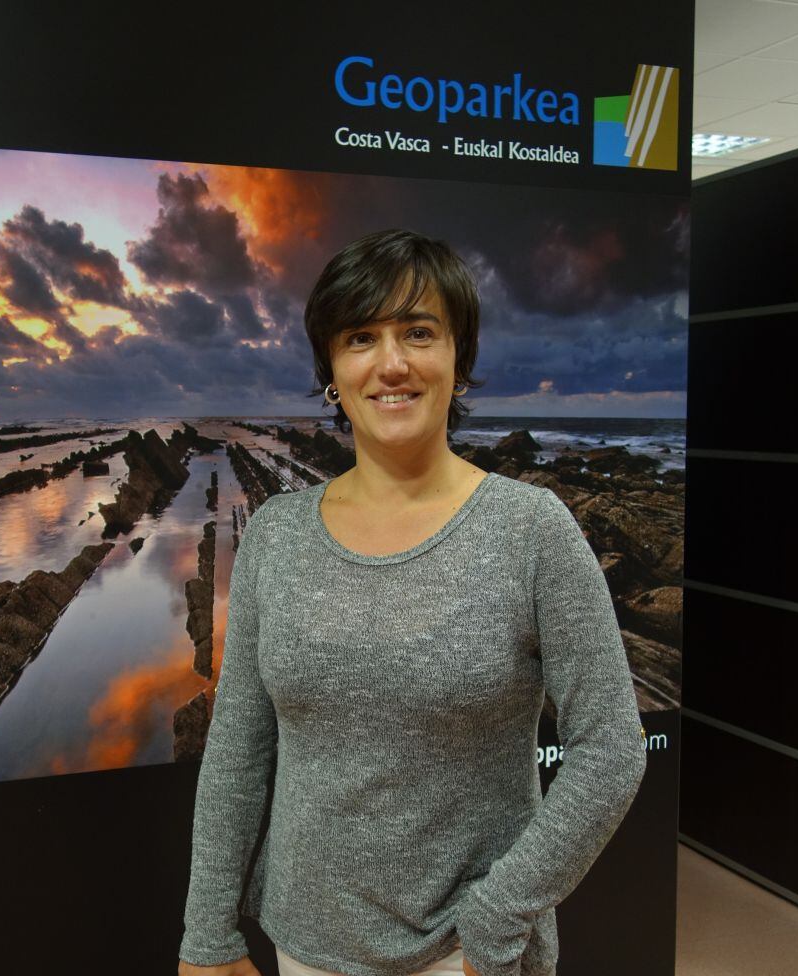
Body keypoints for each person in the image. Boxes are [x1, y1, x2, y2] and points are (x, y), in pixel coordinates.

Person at [178, 229, 647, 976]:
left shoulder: (531, 532)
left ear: (458, 362)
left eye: (419, 333)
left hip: (463, 956)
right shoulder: (277, 536)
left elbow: (611, 749)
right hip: (301, 947)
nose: (391, 363)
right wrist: (208, 932)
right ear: (332, 369)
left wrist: (498, 919)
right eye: (361, 337)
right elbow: (239, 749)